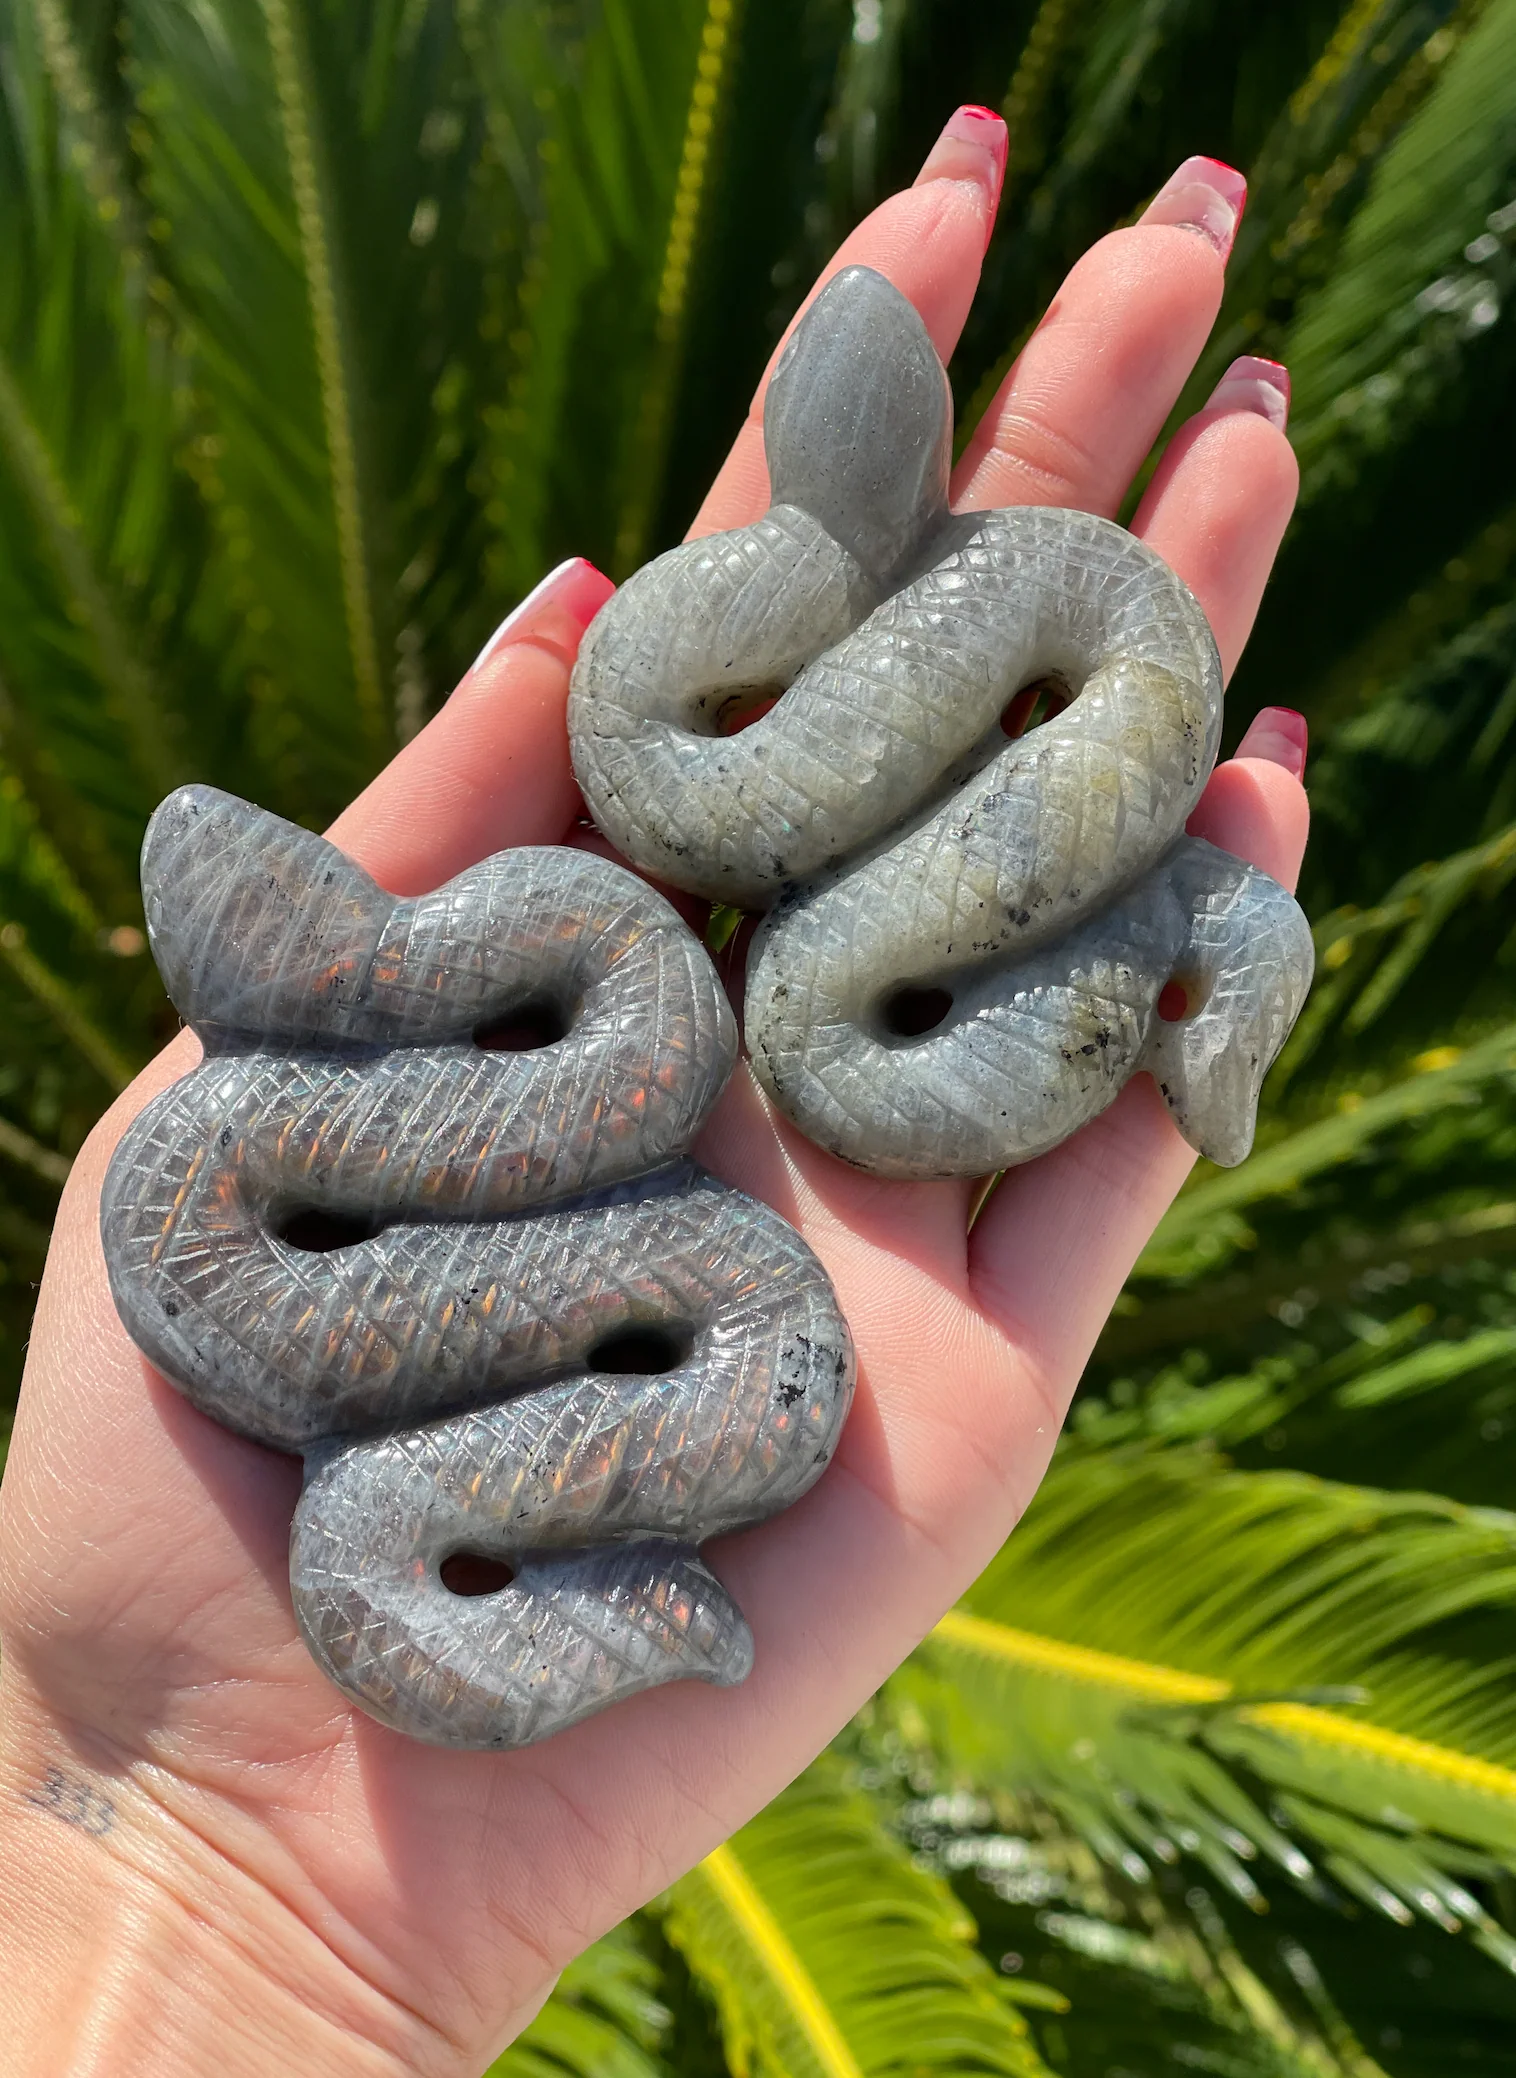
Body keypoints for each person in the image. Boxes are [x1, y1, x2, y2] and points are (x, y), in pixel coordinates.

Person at [0, 107, 1309, 2075]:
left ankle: (1174, 934)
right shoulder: (537, 994)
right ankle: (1180, 933)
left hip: (720, 1255)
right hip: (699, 1334)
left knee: (832, 1010)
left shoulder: (614, 920)